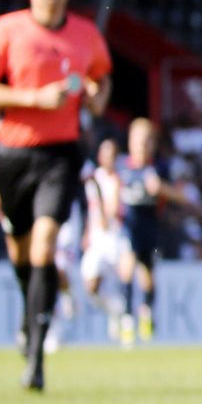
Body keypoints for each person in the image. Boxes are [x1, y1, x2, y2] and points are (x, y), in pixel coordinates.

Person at [0, 0, 112, 390]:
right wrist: (34, 99)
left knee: (45, 247)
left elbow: (102, 77)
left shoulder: (86, 34)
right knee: (21, 252)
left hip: (61, 154)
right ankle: (30, 319)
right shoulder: (6, 30)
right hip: (12, 155)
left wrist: (96, 96)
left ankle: (37, 355)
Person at [115, 118, 170, 344]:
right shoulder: (121, 166)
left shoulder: (159, 167)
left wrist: (160, 188)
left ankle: (146, 311)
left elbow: (178, 195)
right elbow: (112, 190)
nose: (142, 145)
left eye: (147, 140)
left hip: (150, 225)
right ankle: (127, 318)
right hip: (129, 225)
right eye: (138, 139)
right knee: (127, 267)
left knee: (147, 275)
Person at [78, 137, 130, 344]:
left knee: (123, 278)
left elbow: (112, 210)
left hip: (115, 236)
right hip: (97, 238)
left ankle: (127, 321)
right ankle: (115, 308)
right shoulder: (93, 178)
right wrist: (87, 232)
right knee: (91, 286)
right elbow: (89, 210)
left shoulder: (118, 179)